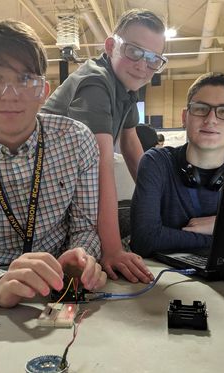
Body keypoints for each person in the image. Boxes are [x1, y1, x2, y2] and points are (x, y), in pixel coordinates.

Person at [0, 19, 107, 308]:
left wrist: (80, 256)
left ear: (43, 89)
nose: (10, 94)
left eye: (25, 79)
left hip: (55, 287)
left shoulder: (76, 140)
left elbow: (85, 228)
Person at [41, 9, 167, 283]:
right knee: (127, 228)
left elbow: (133, 146)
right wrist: (113, 250)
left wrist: (160, 202)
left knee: (143, 218)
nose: (143, 65)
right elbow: (101, 165)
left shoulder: (126, 88)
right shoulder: (96, 82)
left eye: (153, 59)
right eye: (134, 51)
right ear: (111, 46)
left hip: (71, 187)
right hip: (45, 197)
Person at [130, 72, 224, 257]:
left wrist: (222, 224)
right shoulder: (157, 162)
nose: (211, 119)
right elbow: (145, 239)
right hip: (168, 276)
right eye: (200, 108)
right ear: (184, 116)